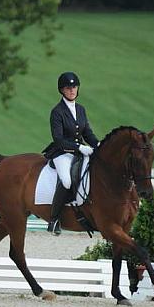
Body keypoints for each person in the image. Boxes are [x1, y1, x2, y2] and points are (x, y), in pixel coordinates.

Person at [42, 71, 99, 235]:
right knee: (66, 181)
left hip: (80, 151)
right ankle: (53, 219)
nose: (72, 90)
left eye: (74, 87)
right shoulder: (57, 111)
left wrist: (98, 144)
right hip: (62, 153)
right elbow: (58, 139)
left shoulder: (80, 109)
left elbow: (87, 133)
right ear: (62, 90)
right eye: (68, 88)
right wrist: (79, 148)